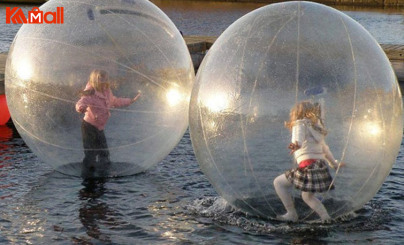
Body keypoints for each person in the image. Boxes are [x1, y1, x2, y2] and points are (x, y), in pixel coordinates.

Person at [273, 101, 344, 222]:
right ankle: (326, 218)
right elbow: (325, 149)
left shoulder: (299, 124)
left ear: (296, 113)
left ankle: (291, 213)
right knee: (307, 196)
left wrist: (297, 145)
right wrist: (334, 164)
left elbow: (298, 138)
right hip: (319, 166)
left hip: (308, 166)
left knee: (278, 183)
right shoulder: (316, 129)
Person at [76, 69, 141, 176]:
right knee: (91, 154)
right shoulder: (90, 93)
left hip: (99, 127)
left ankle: (103, 175)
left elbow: (115, 101)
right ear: (95, 80)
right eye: (101, 79)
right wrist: (81, 108)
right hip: (88, 127)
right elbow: (81, 102)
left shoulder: (107, 92)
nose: (104, 81)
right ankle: (87, 178)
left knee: (104, 153)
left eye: (105, 79)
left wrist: (130, 101)